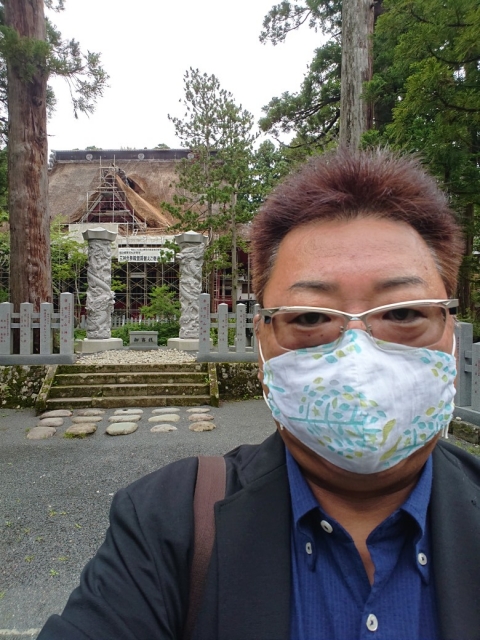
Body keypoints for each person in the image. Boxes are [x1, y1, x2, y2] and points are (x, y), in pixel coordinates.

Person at [38, 148, 480, 639]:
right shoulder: (167, 523)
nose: (360, 358)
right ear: (263, 344)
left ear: (450, 332)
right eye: (311, 317)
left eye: (402, 313)